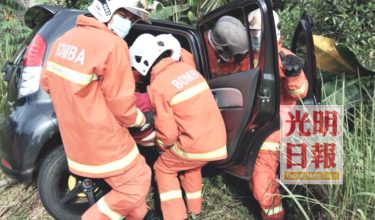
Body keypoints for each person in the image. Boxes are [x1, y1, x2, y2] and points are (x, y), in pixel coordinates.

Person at [40, 0, 155, 219]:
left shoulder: (63, 40)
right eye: (125, 15)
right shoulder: (112, 45)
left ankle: (141, 216)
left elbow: (47, 84)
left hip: (75, 141)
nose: (127, 23)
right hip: (104, 140)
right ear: (106, 9)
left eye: (132, 19)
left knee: (123, 186)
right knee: (136, 181)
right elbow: (122, 105)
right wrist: (142, 120)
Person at [130, 33, 227, 220]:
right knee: (191, 168)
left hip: (195, 144)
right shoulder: (187, 69)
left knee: (163, 168)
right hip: (217, 142)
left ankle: (175, 216)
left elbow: (167, 134)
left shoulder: (158, 86)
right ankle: (195, 212)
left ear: (143, 63)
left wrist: (159, 147)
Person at [248, 9, 309, 220]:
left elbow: (300, 92)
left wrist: (294, 75)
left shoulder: (286, 58)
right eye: (254, 34)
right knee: (256, 175)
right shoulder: (248, 56)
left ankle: (275, 216)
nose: (257, 40)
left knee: (262, 183)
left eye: (261, 35)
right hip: (254, 127)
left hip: (273, 131)